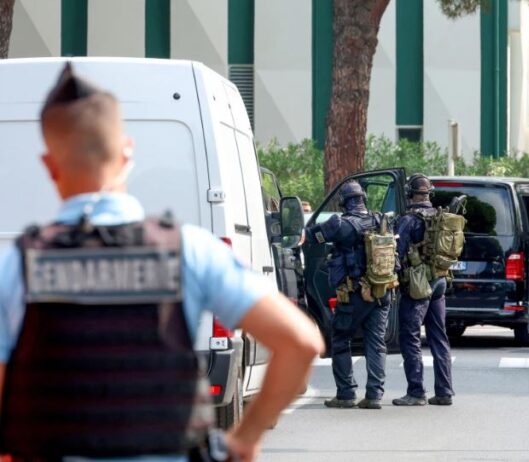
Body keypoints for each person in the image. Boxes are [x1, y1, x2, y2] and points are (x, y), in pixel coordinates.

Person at [0, 63, 324, 462]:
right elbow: (301, 342)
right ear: (127, 152)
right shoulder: (189, 251)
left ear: (49, 165)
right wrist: (245, 439)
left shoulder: (17, 268)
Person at [304, 181, 396, 410]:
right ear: (363, 198)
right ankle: (374, 394)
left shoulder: (339, 224)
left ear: (344, 201)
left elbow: (311, 238)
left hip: (354, 293)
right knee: (376, 343)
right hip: (381, 291)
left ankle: (346, 394)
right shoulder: (379, 220)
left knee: (340, 338)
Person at [392, 174, 455, 406]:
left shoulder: (408, 220)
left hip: (418, 285)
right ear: (430, 193)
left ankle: (416, 392)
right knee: (439, 336)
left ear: (410, 193)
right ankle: (445, 391)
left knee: (410, 336)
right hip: (440, 280)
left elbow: (396, 253)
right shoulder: (441, 216)